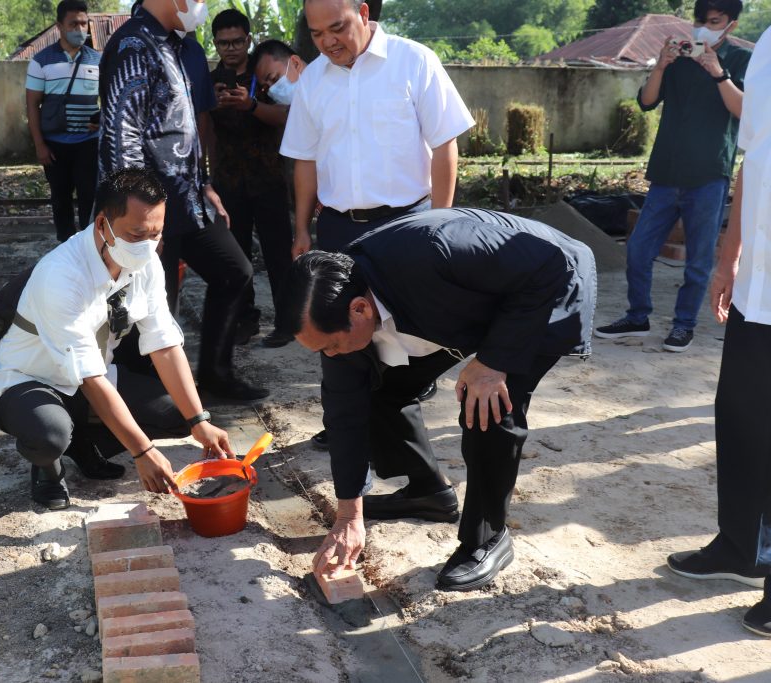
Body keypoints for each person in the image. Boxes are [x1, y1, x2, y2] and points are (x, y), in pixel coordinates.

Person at [278, 209, 596, 591]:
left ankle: (488, 538)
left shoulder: (435, 252)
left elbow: (548, 263)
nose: (328, 356)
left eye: (330, 345)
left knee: (487, 405)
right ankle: (426, 492)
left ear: (359, 309)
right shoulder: (341, 300)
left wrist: (492, 363)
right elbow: (345, 415)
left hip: (544, 288)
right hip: (463, 304)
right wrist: (349, 514)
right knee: (379, 387)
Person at [279, 0, 473, 446]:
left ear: (363, 13)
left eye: (338, 28)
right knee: (336, 330)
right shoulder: (312, 80)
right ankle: (344, 426)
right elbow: (305, 160)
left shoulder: (414, 60)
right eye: (316, 34)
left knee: (403, 333)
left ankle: (395, 428)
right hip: (339, 229)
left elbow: (445, 146)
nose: (328, 42)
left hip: (407, 223)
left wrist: (439, 222)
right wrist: (303, 228)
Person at [0, 168, 234, 510]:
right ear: (103, 225)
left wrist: (199, 421)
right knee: (50, 434)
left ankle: (86, 446)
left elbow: (164, 344)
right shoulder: (62, 275)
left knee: (179, 415)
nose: (148, 246)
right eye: (137, 234)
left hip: (93, 377)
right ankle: (47, 465)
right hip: (29, 381)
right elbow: (89, 377)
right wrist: (142, 451)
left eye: (156, 234)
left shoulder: (145, 264)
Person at [98, 0, 268, 402]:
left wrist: (204, 184)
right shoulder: (132, 47)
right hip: (148, 207)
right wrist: (136, 220)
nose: (200, 4)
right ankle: (147, 395)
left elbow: (181, 128)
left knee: (234, 271)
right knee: (150, 303)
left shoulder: (175, 45)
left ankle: (215, 373)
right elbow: (122, 141)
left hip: (187, 197)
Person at [666, 25, 771, 636]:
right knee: (742, 415)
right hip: (760, 282)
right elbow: (753, 158)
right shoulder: (767, 51)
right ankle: (742, 546)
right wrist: (729, 254)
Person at [595, 0, 751, 352]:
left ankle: (684, 325)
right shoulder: (679, 56)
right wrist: (661, 66)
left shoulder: (741, 60)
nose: (703, 28)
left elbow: (744, 110)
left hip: (710, 175)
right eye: (699, 21)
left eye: (714, 21)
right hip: (666, 173)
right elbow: (647, 101)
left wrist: (718, 72)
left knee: (697, 260)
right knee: (637, 250)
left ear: (732, 24)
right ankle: (637, 316)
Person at [209, 10, 295, 348]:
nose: (230, 48)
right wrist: (209, 176)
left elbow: (287, 117)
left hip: (269, 177)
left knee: (278, 253)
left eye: (236, 41)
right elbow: (207, 132)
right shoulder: (209, 79)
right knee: (237, 255)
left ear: (248, 40)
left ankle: (288, 321)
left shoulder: (265, 76)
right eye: (223, 42)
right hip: (229, 180)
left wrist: (251, 105)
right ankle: (245, 320)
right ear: (215, 43)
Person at [25, 0, 102, 242]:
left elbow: (110, 100)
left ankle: (90, 244)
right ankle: (65, 245)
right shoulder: (41, 61)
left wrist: (102, 119)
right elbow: (32, 105)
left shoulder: (99, 60)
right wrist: (40, 145)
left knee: (90, 196)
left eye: (83, 23)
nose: (80, 29)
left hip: (89, 143)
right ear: (59, 26)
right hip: (55, 145)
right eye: (73, 24)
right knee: (60, 198)